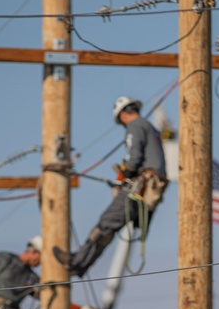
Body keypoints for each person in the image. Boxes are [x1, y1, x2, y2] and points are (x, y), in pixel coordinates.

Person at [54, 96, 168, 277]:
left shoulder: (135, 126)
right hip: (150, 189)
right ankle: (81, 264)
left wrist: (126, 172)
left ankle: (78, 262)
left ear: (123, 114)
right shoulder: (150, 127)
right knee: (110, 226)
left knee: (106, 223)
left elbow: (133, 159)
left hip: (140, 187)